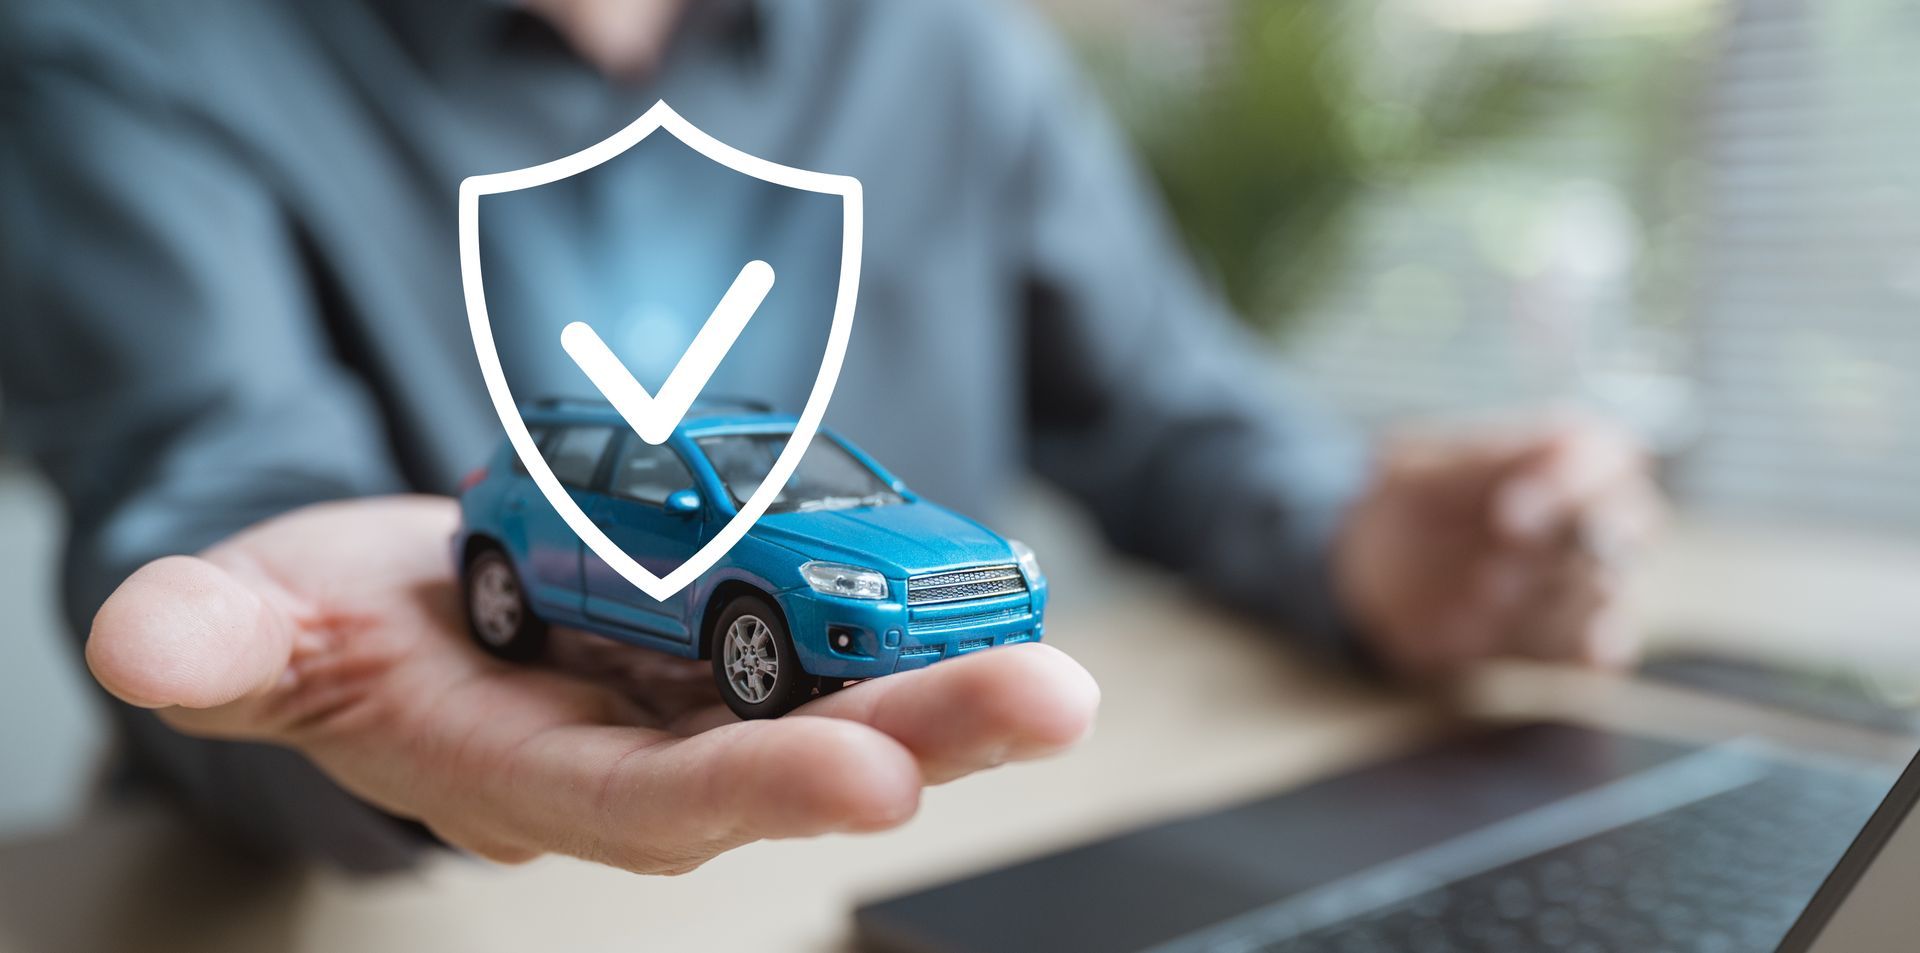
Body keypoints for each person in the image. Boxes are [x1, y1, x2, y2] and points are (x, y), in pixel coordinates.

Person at [0, 0, 1660, 875]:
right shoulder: (134, 38)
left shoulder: (939, 40)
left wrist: (1351, 542)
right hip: (349, 907)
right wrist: (316, 659)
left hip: (942, 863)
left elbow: (1169, 413)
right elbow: (222, 481)